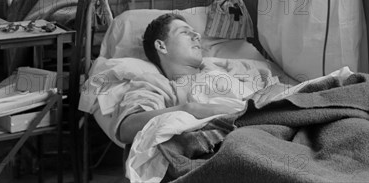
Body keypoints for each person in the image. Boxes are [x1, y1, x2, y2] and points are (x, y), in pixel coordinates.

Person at [114, 13, 282, 144]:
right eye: (185, 33)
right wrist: (190, 109)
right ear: (161, 46)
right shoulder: (158, 84)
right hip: (236, 136)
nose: (197, 36)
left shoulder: (225, 67)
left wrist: (271, 94)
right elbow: (126, 128)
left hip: (272, 121)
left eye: (195, 33)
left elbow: (277, 86)